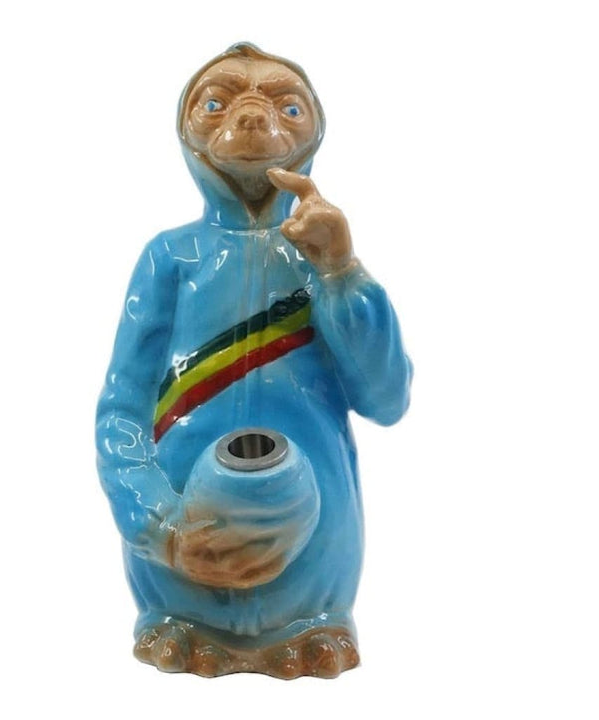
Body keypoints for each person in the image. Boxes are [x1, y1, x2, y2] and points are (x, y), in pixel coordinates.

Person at [96, 42, 412, 678]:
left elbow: (386, 397)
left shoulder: (319, 253)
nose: (249, 117)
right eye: (216, 103)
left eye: (287, 107)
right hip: (185, 527)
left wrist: (341, 273)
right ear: (186, 131)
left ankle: (314, 620)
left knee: (312, 597)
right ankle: (180, 616)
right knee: (182, 598)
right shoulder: (170, 258)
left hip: (316, 537)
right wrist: (158, 526)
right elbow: (122, 411)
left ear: (314, 133)